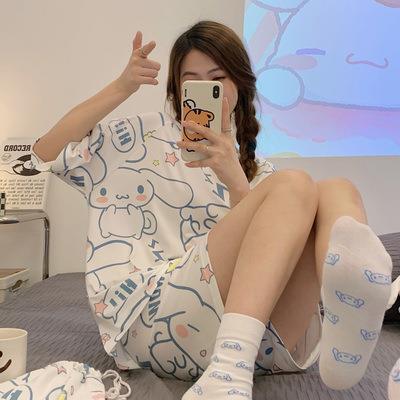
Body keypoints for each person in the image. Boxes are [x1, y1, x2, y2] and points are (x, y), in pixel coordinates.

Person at [31, 20, 394, 399]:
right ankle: (239, 361)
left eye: (217, 80)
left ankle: (348, 315)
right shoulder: (136, 137)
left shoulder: (260, 175)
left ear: (239, 86)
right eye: (192, 82)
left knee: (337, 190)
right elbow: (44, 153)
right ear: (177, 91)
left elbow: (262, 260)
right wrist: (123, 86)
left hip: (254, 340)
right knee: (295, 184)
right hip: (155, 323)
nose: (207, 92)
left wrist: (236, 180)